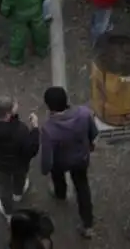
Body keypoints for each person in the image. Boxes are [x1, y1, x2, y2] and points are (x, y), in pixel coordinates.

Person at [40, 86, 97, 239]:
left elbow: (47, 155)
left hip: (60, 162)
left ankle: (60, 194)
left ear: (49, 106)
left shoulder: (49, 129)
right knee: (82, 187)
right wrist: (90, 143)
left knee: (57, 178)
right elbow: (94, 131)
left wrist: (45, 169)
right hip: (81, 158)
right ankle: (88, 224)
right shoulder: (84, 113)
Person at [0, 96, 40, 218]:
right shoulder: (20, 130)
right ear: (9, 114)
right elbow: (31, 150)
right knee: (20, 177)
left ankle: (8, 211)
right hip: (19, 163)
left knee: (4, 187)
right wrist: (35, 129)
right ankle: (18, 193)